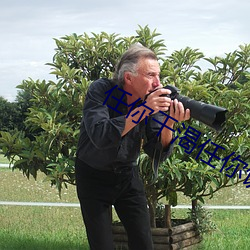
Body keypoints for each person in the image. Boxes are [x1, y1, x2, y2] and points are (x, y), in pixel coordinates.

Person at [75, 44, 190, 250]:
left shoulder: (152, 101)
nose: (158, 83)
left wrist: (169, 123)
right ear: (128, 78)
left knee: (144, 243)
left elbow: (156, 151)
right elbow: (100, 135)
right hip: (93, 176)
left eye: (159, 75)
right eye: (151, 75)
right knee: (101, 245)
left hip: (127, 175)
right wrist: (144, 110)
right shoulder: (101, 90)